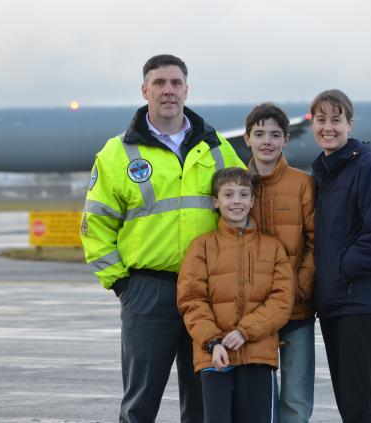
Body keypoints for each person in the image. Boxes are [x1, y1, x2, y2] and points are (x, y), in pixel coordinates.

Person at [80, 54, 245, 423]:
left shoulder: (218, 147)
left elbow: (242, 209)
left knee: (204, 402)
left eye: (175, 83)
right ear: (145, 90)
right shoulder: (116, 154)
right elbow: (95, 226)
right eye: (159, 83)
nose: (167, 90)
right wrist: (122, 284)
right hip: (147, 292)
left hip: (207, 293)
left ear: (186, 89)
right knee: (140, 403)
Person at [310, 89, 371, 423]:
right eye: (321, 120)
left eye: (336, 119)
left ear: (350, 123)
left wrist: (340, 272)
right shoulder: (328, 171)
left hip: (361, 302)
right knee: (353, 407)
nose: (328, 127)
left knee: (362, 408)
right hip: (338, 303)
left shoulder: (367, 166)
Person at [177, 167, 294, 423]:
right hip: (214, 357)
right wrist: (212, 342)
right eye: (228, 195)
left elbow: (282, 301)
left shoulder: (272, 248)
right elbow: (192, 299)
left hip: (258, 355)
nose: (237, 201)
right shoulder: (202, 247)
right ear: (215, 202)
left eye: (243, 194)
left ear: (253, 200)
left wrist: (245, 331)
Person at [244, 103, 316, 422]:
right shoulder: (236, 186)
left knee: (296, 400)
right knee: (259, 402)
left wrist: (297, 289)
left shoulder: (303, 184)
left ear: (286, 139)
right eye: (259, 134)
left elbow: (316, 242)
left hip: (297, 309)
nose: (267, 141)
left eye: (275, 134)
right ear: (247, 139)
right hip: (253, 313)